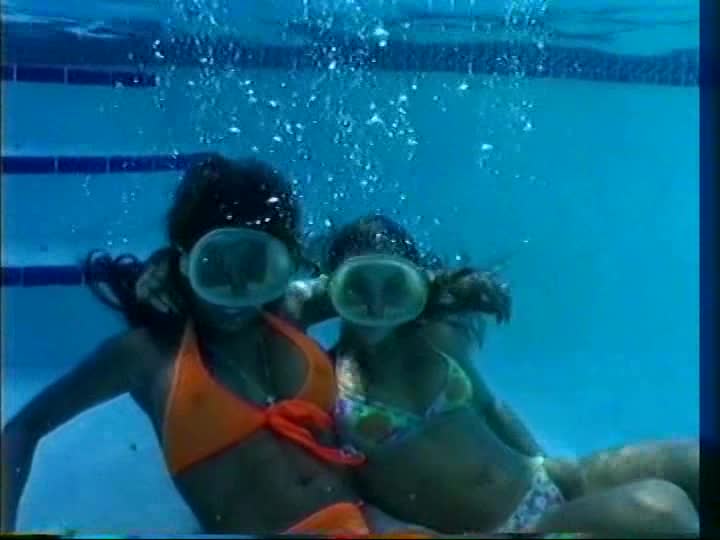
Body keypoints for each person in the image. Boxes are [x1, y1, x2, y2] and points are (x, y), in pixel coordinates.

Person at [131, 214, 699, 536]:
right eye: (359, 288)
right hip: (502, 531)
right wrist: (167, 274)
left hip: (549, 485)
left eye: (394, 288)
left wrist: (550, 468)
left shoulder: (439, 339)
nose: (377, 306)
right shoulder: (323, 381)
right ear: (334, 289)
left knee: (698, 462)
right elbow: (242, 309)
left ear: (415, 288)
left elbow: (493, 409)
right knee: (663, 510)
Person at [2, 155, 385, 536]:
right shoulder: (147, 354)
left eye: (254, 268)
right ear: (187, 262)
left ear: (279, 266)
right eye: (215, 267)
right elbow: (22, 428)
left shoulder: (290, 309)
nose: (235, 291)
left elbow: (382, 275)